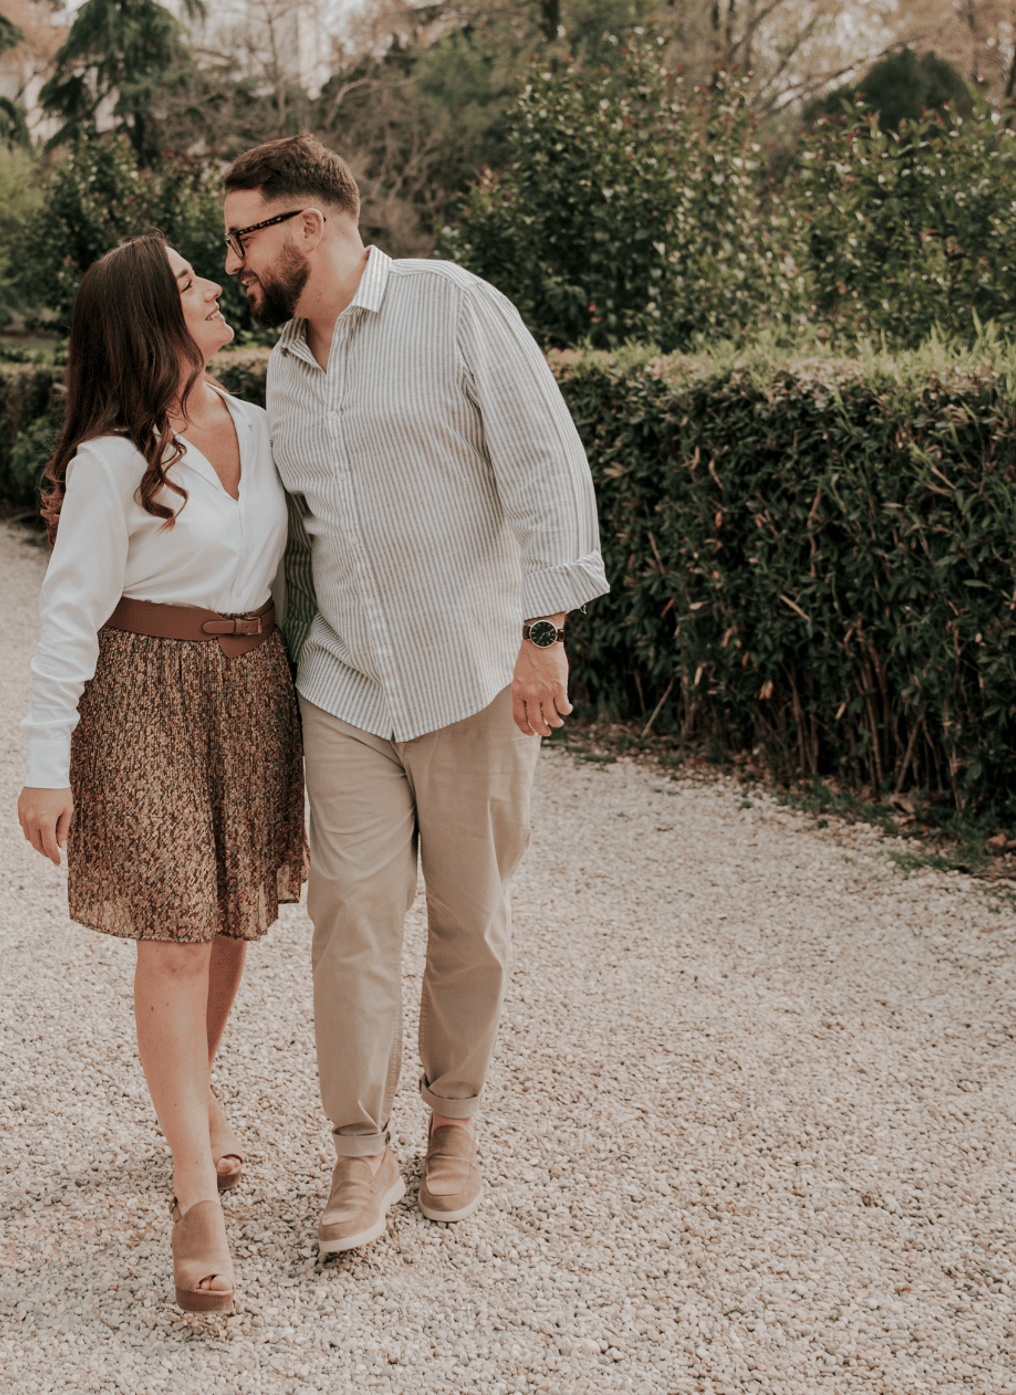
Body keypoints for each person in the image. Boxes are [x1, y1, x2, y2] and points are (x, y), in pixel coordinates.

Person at [221, 132, 608, 1256]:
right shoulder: (280, 365)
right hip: (344, 683)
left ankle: (453, 1120)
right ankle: (360, 1151)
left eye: (243, 238)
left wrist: (545, 634)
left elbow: (546, 463)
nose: (234, 261)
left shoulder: (453, 307)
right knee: (349, 916)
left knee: (469, 921)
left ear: (310, 224)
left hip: (473, 675)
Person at [16, 234, 307, 1313]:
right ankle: (194, 1194)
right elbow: (68, 616)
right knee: (177, 933)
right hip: (142, 693)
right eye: (189, 283)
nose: (217, 287)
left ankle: (197, 1094)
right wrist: (45, 765)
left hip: (256, 690)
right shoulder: (109, 462)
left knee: (229, 919)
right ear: (149, 319)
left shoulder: (268, 427)